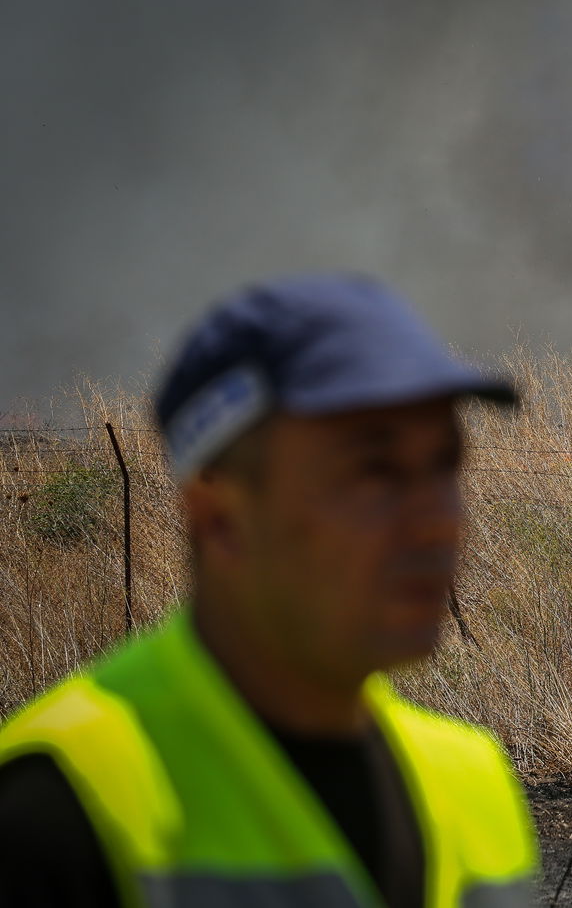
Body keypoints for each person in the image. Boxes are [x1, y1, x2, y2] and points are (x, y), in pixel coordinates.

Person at [0, 273, 538, 907]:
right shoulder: (58, 805)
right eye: (373, 472)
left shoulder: (479, 785)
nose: (437, 519)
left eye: (444, 465)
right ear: (219, 518)